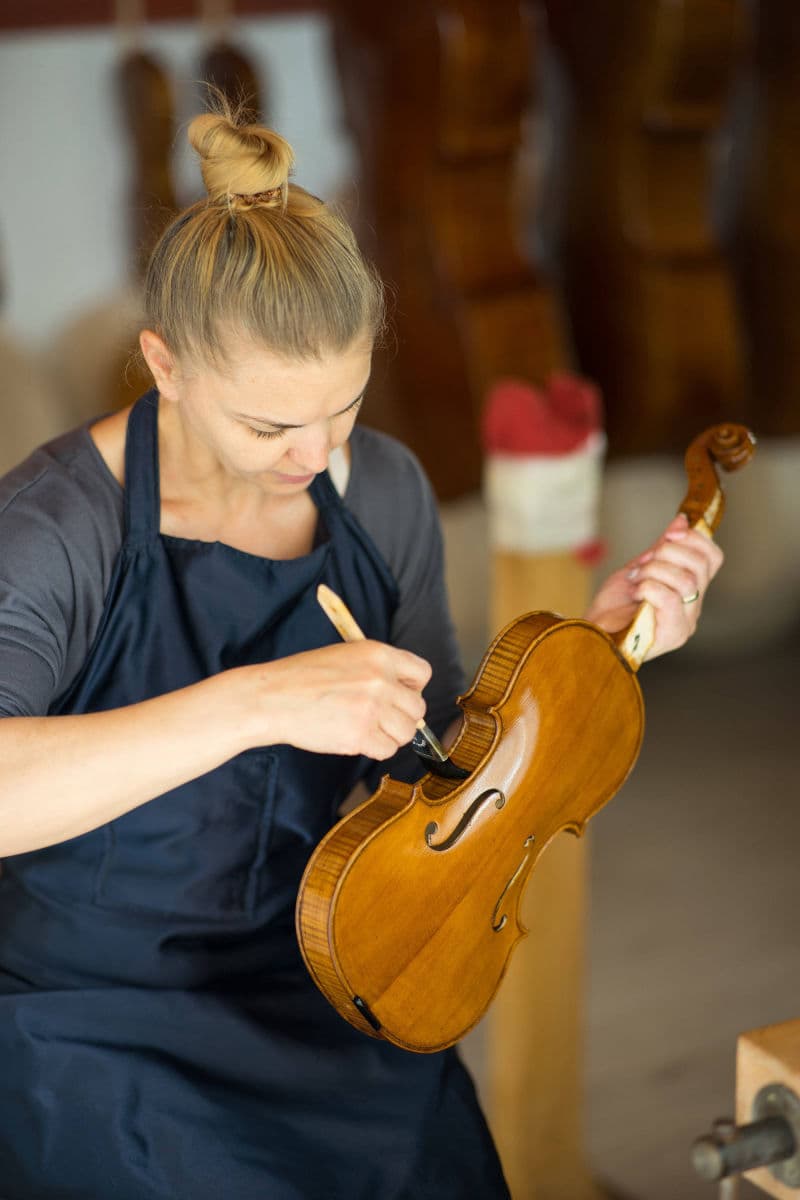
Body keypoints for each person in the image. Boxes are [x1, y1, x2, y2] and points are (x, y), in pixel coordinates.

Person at [0, 106, 721, 1200]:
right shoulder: (57, 529)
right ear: (165, 365)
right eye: (267, 428)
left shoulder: (377, 489)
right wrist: (254, 702)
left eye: (341, 409)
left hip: (327, 973)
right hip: (91, 1019)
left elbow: (431, 777)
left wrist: (601, 640)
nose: (312, 455)